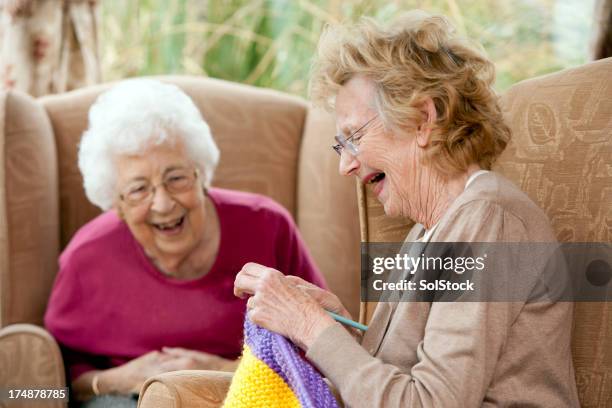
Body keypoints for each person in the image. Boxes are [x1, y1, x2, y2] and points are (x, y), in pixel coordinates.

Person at [233, 11, 580, 407]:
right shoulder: (431, 229)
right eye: (339, 145)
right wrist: (338, 326)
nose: (345, 164)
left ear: (422, 119)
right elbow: (410, 376)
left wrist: (311, 327)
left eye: (354, 137)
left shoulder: (487, 222)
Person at [43, 79, 326, 407]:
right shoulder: (87, 257)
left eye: (176, 178)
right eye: (138, 189)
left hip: (250, 393)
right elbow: (56, 378)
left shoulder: (267, 225)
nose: (162, 204)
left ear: (201, 175)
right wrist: (116, 381)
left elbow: (320, 340)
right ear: (116, 203)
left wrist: (223, 372)